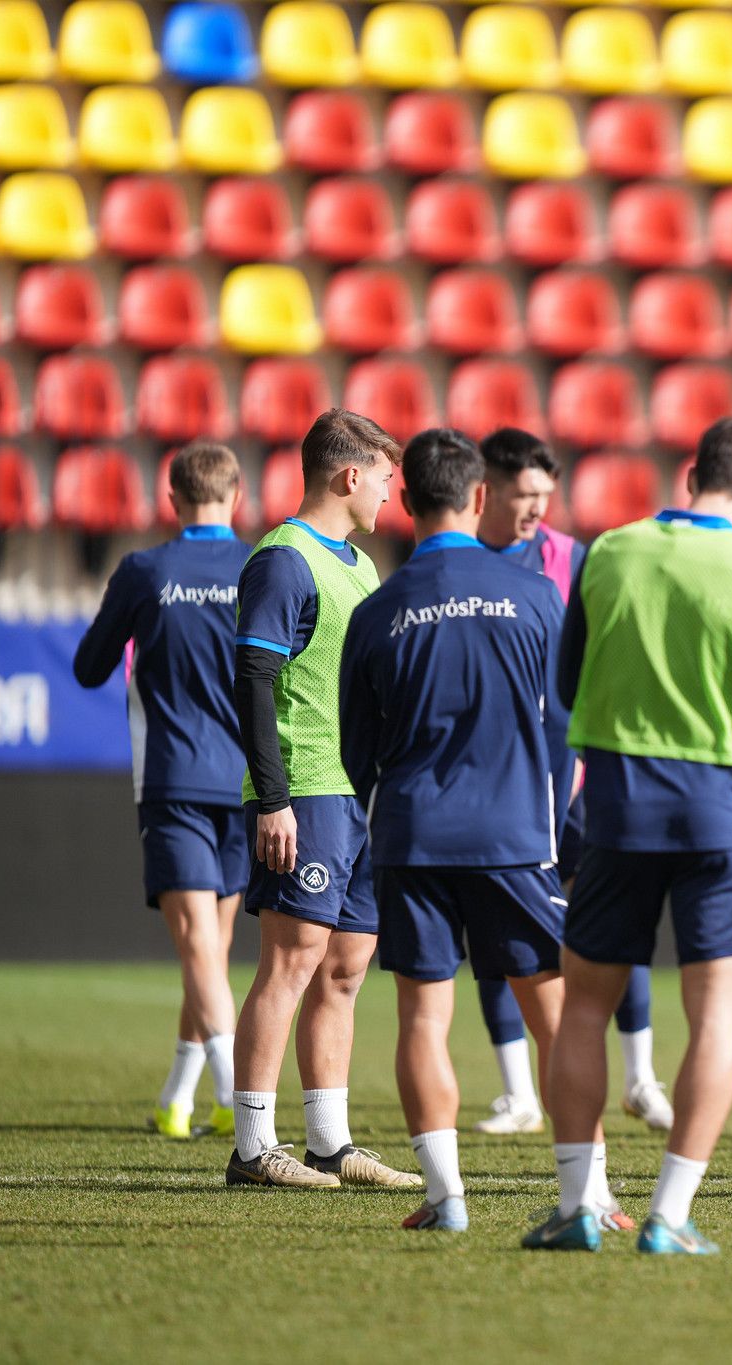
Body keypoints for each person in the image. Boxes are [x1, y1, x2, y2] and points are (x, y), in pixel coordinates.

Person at [526, 417, 732, 1255]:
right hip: (716, 811)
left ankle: (579, 1205)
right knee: (715, 1017)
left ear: (692, 474)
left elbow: (568, 682)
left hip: (613, 806)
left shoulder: (608, 551)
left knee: (583, 1007)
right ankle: (669, 1215)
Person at [340, 429, 601, 1232]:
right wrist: (547, 816)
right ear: (480, 496)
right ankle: (582, 1195)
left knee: (424, 1015)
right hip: (515, 835)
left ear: (405, 505)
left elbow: (356, 755)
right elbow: (565, 725)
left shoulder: (377, 607)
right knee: (552, 1010)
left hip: (414, 836)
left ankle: (447, 1196)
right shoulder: (537, 597)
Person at [222, 409, 418, 1190]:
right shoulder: (283, 560)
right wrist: (273, 799)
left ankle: (331, 1143)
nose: (389, 496)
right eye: (384, 479)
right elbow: (253, 681)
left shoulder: (361, 567)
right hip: (304, 791)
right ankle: (251, 1146)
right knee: (291, 960)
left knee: (344, 965)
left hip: (356, 798)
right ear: (349, 475)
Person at [468, 427, 671, 1137]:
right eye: (523, 495)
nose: (534, 510)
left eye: (543, 497)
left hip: (575, 772)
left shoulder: (571, 558)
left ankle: (643, 1077)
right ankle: (519, 1091)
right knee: (495, 924)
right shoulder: (457, 560)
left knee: (611, 915)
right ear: (483, 490)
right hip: (497, 781)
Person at [73, 442, 251, 1141]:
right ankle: (180, 1098)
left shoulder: (146, 571)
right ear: (237, 495)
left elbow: (90, 666)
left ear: (172, 499)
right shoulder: (260, 569)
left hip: (173, 777)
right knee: (210, 946)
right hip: (247, 783)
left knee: (199, 948)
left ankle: (236, 1099)